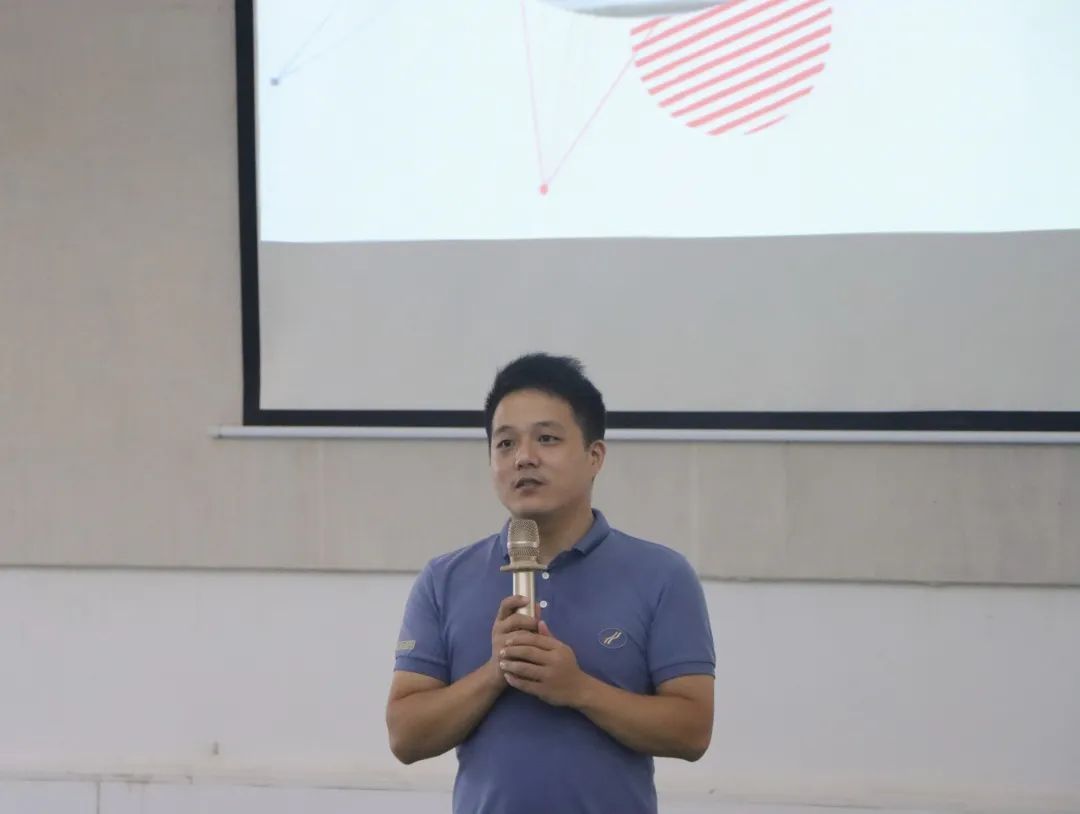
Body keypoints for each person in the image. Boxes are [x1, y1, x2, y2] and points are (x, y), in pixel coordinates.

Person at [386, 353, 715, 814]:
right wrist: (495, 672)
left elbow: (692, 731)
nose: (524, 458)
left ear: (594, 456)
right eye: (505, 444)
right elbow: (405, 735)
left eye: (546, 438)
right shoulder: (444, 579)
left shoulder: (662, 574)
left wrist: (578, 689)